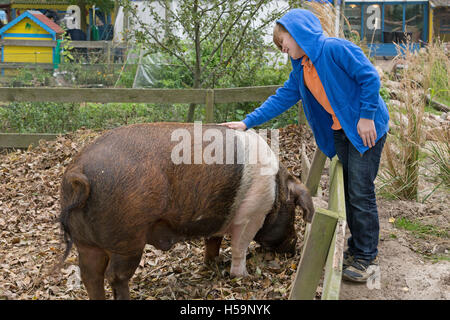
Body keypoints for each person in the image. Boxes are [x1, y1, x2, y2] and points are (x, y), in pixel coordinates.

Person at [220, 8, 389, 283]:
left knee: (361, 192)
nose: (282, 48)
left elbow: (369, 77)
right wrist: (247, 122)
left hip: (365, 130)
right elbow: (281, 98)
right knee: (350, 191)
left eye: (282, 41)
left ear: (297, 32)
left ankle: (367, 259)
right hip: (342, 132)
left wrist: (367, 116)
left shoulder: (334, 49)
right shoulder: (301, 68)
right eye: (279, 46)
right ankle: (358, 250)